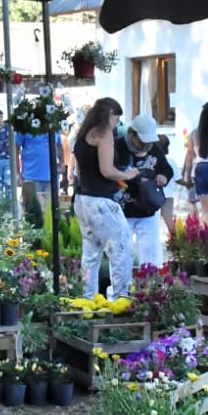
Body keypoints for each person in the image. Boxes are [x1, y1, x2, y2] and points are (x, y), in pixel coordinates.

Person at [72, 97, 139, 299]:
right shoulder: (104, 134)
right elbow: (107, 170)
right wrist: (128, 174)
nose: (117, 124)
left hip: (82, 199)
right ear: (110, 114)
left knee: (90, 254)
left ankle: (88, 299)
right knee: (121, 250)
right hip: (101, 201)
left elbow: (79, 171)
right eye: (116, 119)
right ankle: (121, 298)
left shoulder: (83, 134)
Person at [115, 113, 174, 268]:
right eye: (141, 141)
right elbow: (111, 174)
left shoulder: (154, 148)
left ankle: (150, 280)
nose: (145, 145)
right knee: (121, 253)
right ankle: (121, 283)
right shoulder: (118, 147)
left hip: (148, 209)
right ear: (132, 134)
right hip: (124, 209)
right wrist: (133, 178)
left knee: (151, 252)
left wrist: (163, 176)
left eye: (148, 141)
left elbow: (166, 169)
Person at [17, 128, 63, 216]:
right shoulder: (25, 127)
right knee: (31, 212)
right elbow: (15, 148)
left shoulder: (53, 126)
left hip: (52, 178)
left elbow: (59, 145)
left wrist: (62, 162)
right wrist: (18, 173)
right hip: (30, 177)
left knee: (51, 212)